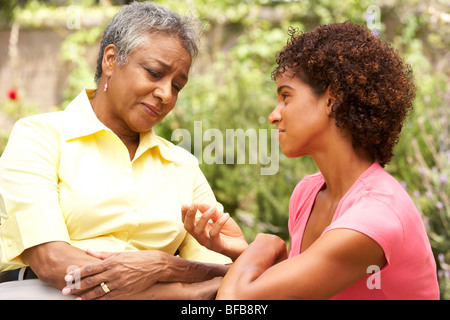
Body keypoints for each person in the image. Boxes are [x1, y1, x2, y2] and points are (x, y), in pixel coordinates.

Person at [182, 21, 440, 299]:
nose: (274, 115)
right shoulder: (308, 193)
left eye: (286, 97)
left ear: (333, 99)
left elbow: (236, 301)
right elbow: (305, 286)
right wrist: (241, 250)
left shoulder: (376, 216)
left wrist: (264, 246)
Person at [0, 2, 231, 300]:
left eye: (177, 85)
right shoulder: (40, 137)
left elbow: (220, 269)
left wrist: (160, 266)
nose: (165, 94)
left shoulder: (182, 166)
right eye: (153, 73)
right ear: (111, 60)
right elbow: (53, 262)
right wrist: (183, 288)